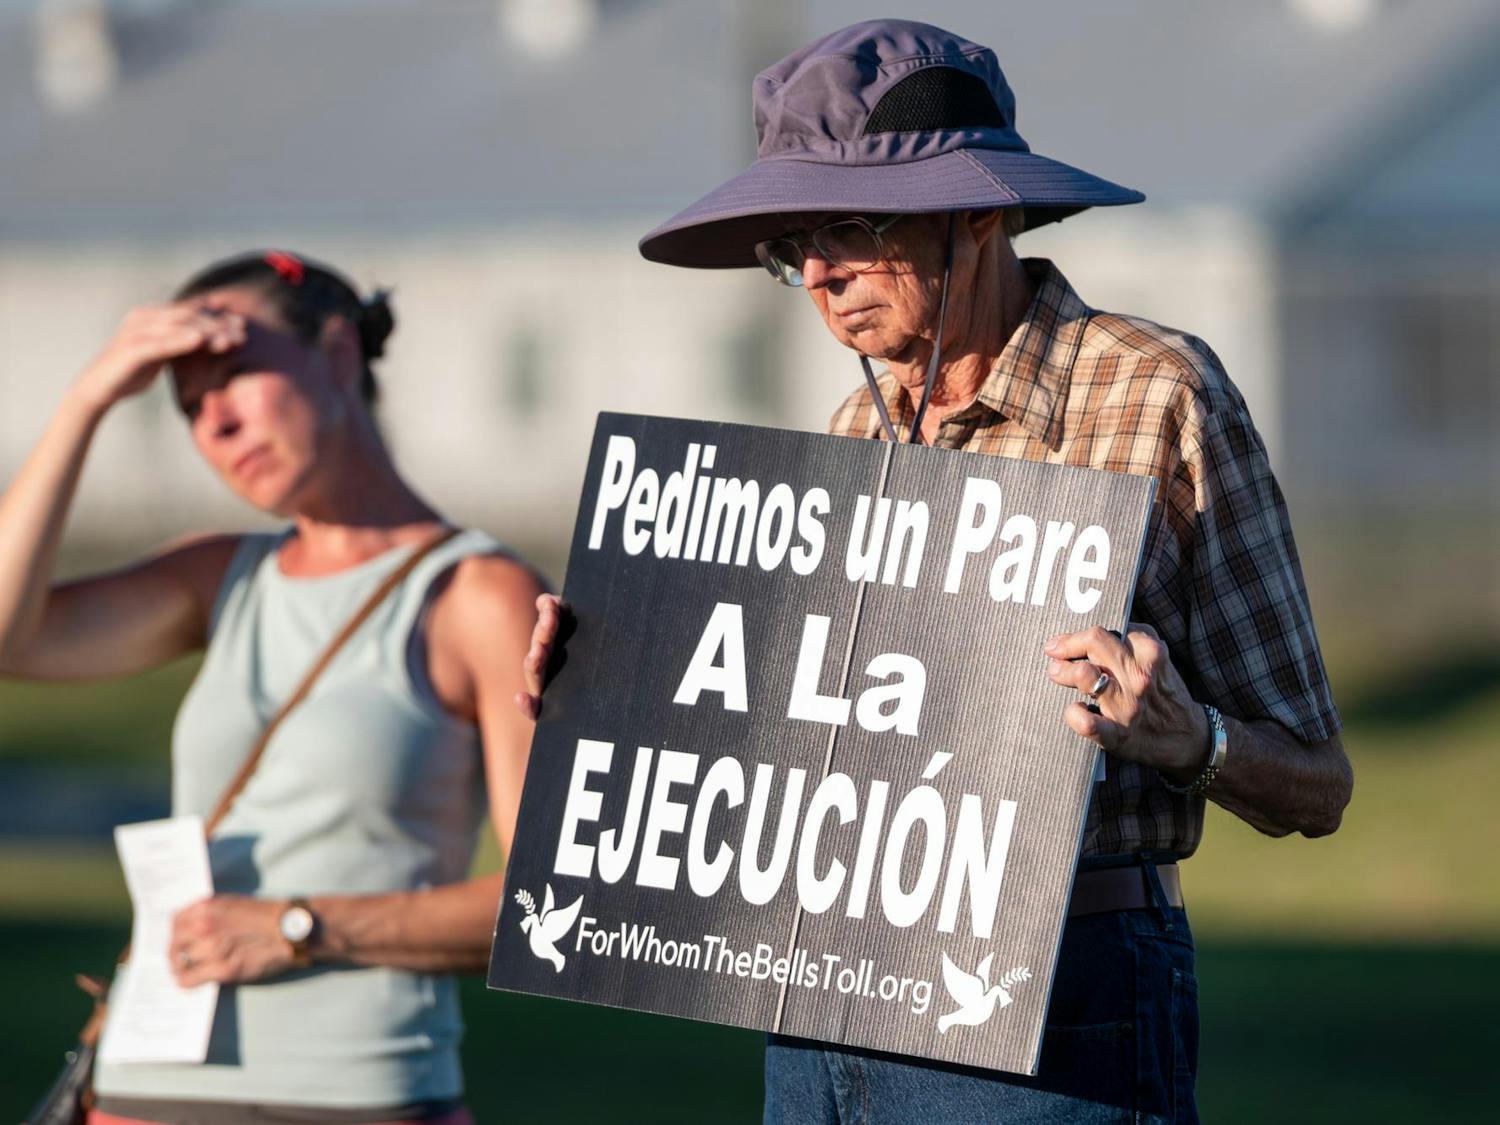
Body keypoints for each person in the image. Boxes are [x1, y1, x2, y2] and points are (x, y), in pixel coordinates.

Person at [524, 19, 1354, 1124]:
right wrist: (617, 685)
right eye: (795, 244)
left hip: (1065, 986)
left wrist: (1184, 735)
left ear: (980, 211)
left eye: (852, 228)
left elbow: (1319, 783)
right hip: (818, 996)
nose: (819, 273)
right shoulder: (850, 434)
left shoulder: (1155, 393)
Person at [0, 251, 544, 1125]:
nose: (212, 422)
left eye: (236, 376)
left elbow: (545, 906)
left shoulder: (477, 593)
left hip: (359, 1096)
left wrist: (298, 925)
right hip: (144, 1091)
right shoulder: (218, 576)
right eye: (185, 406)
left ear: (336, 354)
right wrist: (89, 398)